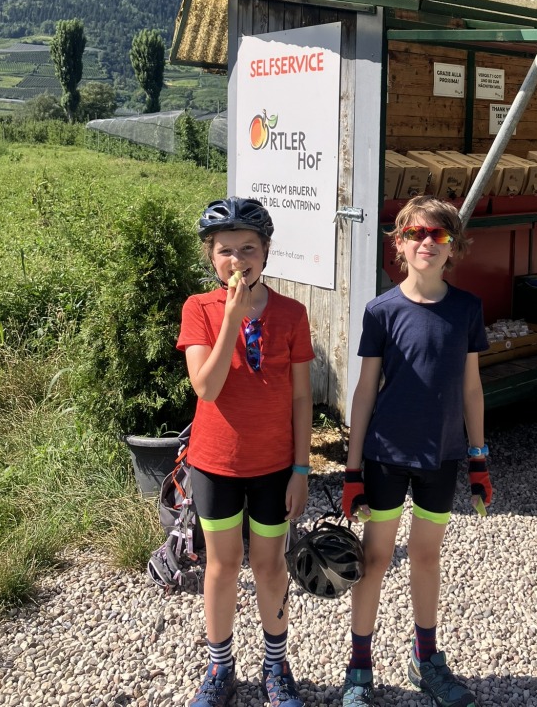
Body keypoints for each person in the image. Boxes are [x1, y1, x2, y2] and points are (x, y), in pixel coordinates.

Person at [340, 194, 493, 707]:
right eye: (416, 234)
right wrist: (352, 468)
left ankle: (425, 659)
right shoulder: (381, 311)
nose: (427, 242)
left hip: (443, 457)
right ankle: (359, 669)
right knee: (376, 559)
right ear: (399, 244)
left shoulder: (467, 309)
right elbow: (365, 391)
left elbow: (472, 389)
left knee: (427, 558)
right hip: (386, 455)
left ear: (454, 247)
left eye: (439, 235)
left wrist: (478, 457)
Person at [177, 197, 314, 707]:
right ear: (211, 257)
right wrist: (231, 318)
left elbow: (302, 397)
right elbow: (206, 389)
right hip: (215, 464)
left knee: (269, 563)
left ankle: (276, 667)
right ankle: (220, 667)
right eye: (225, 250)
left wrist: (302, 468)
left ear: (267, 251)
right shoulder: (200, 309)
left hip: (275, 466)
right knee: (222, 564)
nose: (237, 260)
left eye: (248, 249)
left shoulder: (292, 313)